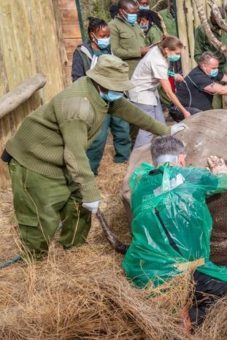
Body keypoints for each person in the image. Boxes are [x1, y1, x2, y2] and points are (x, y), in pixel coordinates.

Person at [2, 55, 183, 260]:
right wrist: (90, 192)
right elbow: (75, 154)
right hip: (35, 159)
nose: (120, 91)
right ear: (101, 83)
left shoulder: (103, 94)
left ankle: (74, 249)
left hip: (61, 157)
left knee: (77, 204)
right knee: (41, 213)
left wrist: (164, 129)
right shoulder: (78, 106)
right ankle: (35, 259)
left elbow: (131, 112)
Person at [122, 136, 227, 327]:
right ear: (181, 158)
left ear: (154, 161)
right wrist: (220, 171)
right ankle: (188, 320)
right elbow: (224, 183)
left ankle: (173, 307)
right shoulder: (192, 176)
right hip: (178, 271)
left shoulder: (139, 185)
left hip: (141, 270)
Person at [71, 17, 132, 175]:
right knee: (98, 136)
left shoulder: (108, 49)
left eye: (108, 36)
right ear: (92, 34)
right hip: (96, 100)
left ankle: (122, 159)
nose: (106, 39)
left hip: (115, 96)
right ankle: (91, 170)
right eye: (103, 36)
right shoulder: (81, 53)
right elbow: (77, 77)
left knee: (122, 129)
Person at [128, 36, 190, 148]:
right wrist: (184, 111)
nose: (178, 56)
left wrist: (173, 75)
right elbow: (169, 92)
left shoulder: (159, 49)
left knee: (160, 125)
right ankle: (138, 159)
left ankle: (165, 151)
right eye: (176, 53)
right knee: (147, 128)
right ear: (167, 50)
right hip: (141, 92)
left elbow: (158, 71)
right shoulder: (157, 61)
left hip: (150, 91)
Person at [172, 52, 227, 120]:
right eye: (213, 68)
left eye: (217, 67)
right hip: (182, 110)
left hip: (197, 109)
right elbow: (222, 90)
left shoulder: (210, 72)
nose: (216, 70)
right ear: (203, 66)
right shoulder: (198, 76)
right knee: (205, 120)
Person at [193, 9, 227, 111]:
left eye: (221, 20)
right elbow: (197, 54)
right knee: (214, 100)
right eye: (217, 20)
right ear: (212, 18)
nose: (220, 22)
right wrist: (206, 68)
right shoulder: (202, 30)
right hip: (212, 69)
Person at [109, 0, 148, 78]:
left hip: (143, 69)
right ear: (121, 11)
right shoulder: (113, 26)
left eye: (136, 13)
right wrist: (138, 52)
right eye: (131, 13)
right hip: (129, 73)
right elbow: (115, 51)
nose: (134, 15)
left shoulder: (135, 24)